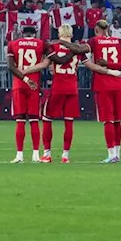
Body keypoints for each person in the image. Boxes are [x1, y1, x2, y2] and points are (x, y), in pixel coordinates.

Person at [60, 19, 121, 163]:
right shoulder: (119, 41)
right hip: (117, 83)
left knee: (107, 120)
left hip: (103, 84)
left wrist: (61, 42)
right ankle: (117, 153)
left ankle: (111, 154)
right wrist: (120, 66)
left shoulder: (94, 41)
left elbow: (79, 50)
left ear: (97, 30)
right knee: (117, 120)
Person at [37, 24, 84, 164]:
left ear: (60, 34)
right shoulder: (78, 49)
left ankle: (47, 154)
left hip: (58, 87)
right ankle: (65, 155)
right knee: (69, 122)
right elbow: (89, 64)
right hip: (72, 88)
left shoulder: (55, 47)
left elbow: (46, 63)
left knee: (47, 118)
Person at [6, 25, 46, 163]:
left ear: (22, 33)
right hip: (34, 84)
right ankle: (35, 154)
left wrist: (24, 78)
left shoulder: (13, 44)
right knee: (34, 120)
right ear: (35, 33)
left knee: (20, 120)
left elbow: (11, 66)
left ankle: (19, 155)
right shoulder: (41, 44)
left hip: (19, 84)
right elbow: (48, 60)